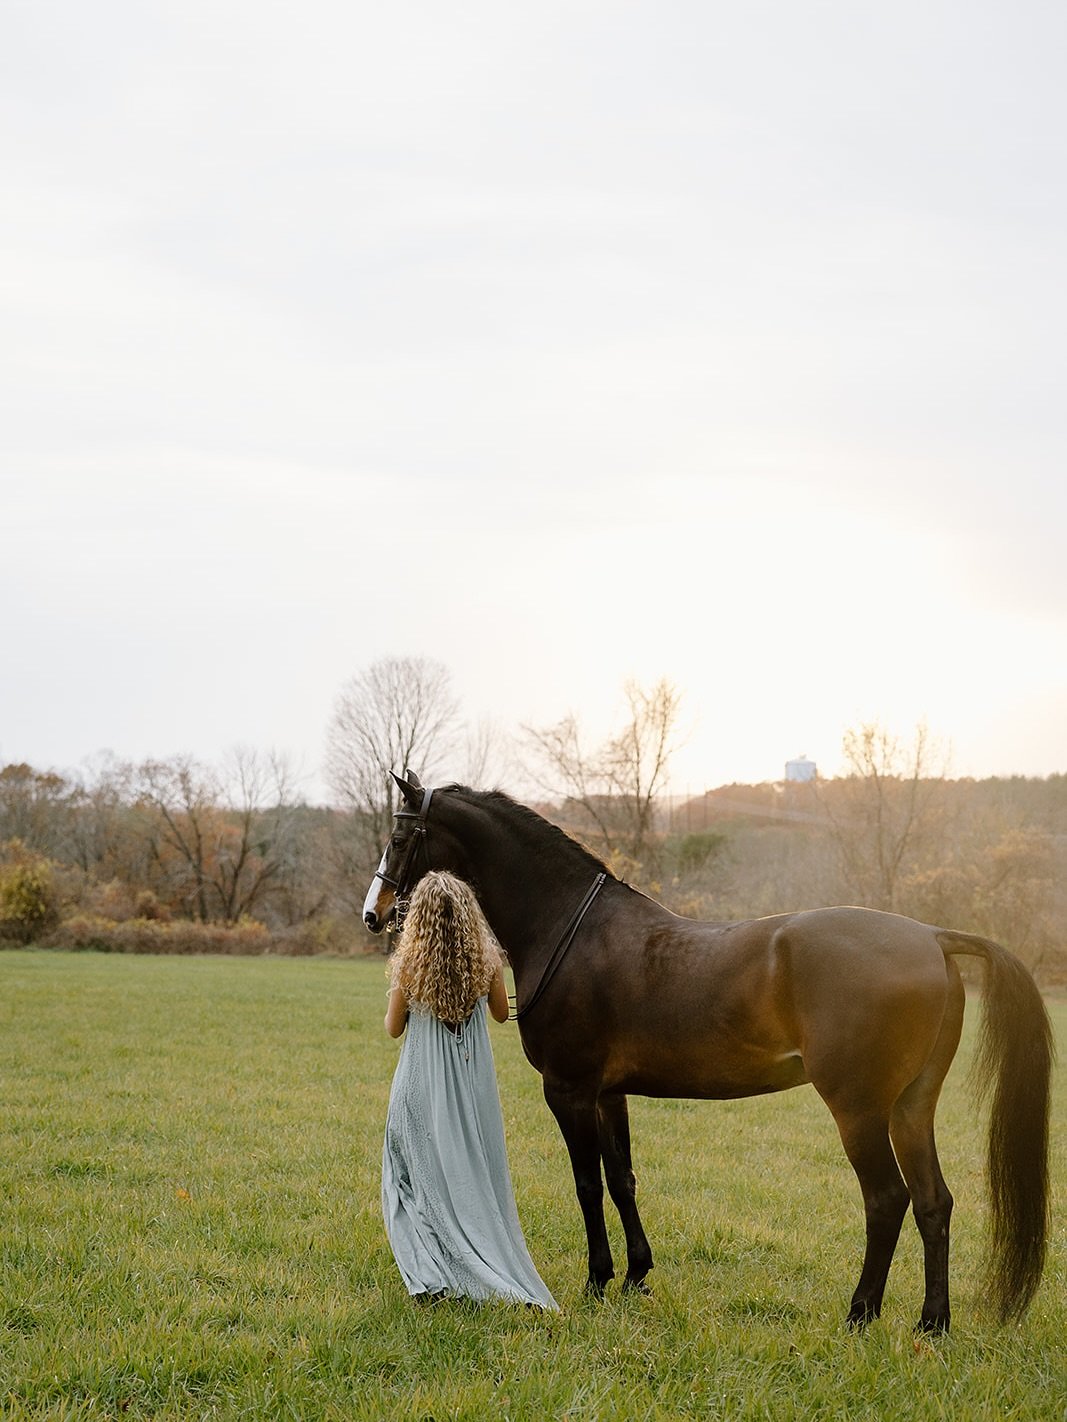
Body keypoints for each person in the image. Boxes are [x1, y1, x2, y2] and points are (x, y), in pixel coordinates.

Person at [381, 869, 558, 1309]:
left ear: (418, 919)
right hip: (469, 1082)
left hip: (421, 1082)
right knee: (468, 1168)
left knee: (409, 1173)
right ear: (468, 915)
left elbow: (392, 1028)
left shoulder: (409, 967)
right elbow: (501, 1014)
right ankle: (471, 1245)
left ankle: (430, 1267)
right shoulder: (487, 963)